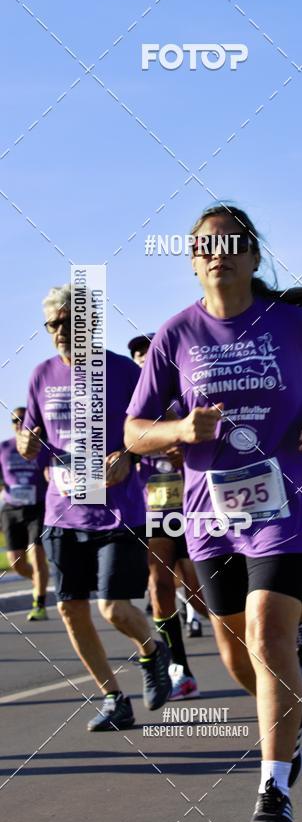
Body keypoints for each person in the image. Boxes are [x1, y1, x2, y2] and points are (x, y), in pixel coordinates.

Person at [125, 205, 302, 822]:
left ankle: (274, 789)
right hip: (211, 515)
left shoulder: (290, 322)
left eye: (232, 242)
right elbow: (131, 430)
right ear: (192, 260)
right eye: (204, 245)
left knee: (264, 629)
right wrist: (178, 428)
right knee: (240, 648)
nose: (217, 252)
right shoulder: (175, 336)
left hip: (287, 504)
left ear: (254, 256)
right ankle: (290, 706)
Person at [18, 285, 171, 732]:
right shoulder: (40, 375)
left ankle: (153, 649)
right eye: (53, 324)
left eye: (70, 322)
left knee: (114, 608)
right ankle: (112, 697)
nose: (61, 331)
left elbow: (153, 428)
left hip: (118, 510)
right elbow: (34, 440)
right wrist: (28, 444)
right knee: (70, 608)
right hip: (63, 512)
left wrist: (131, 456)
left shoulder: (123, 372)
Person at [128, 334, 205, 699]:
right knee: (159, 583)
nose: (142, 360)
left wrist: (183, 445)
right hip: (156, 505)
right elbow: (124, 444)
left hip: (198, 502)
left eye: (147, 354)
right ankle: (181, 669)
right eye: (137, 356)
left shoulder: (185, 390)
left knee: (199, 592)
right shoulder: (133, 407)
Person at [0, 407, 49, 620]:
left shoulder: (42, 447)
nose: (19, 423)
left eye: (23, 419)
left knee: (37, 556)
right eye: (15, 420)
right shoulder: (3, 448)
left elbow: (51, 475)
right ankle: (40, 581)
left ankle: (39, 604)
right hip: (11, 508)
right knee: (16, 562)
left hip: (37, 507)